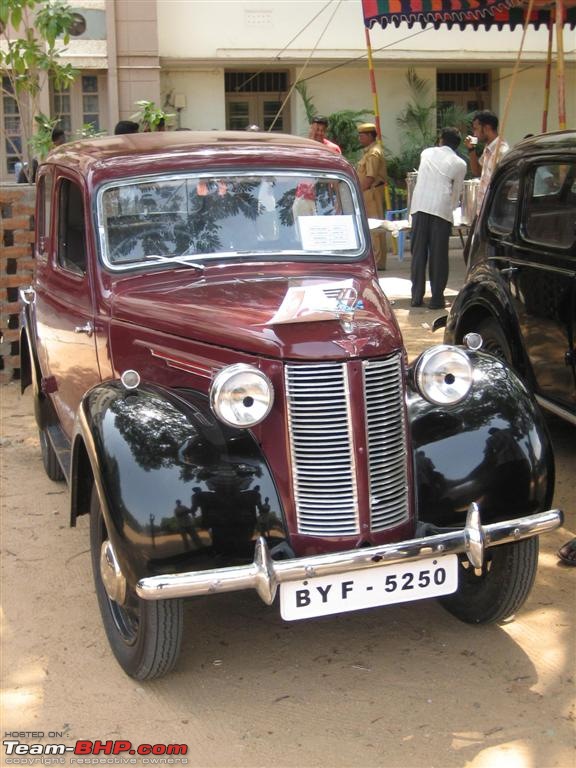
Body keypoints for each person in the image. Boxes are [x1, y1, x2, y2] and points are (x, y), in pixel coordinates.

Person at [409, 126, 467, 309]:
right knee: (439, 255)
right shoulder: (460, 164)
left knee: (418, 254)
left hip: (419, 206)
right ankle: (437, 299)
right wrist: (450, 212)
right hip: (441, 209)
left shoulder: (426, 153)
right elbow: (457, 192)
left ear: (441, 139)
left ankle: (416, 297)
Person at [464, 109, 510, 213]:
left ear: (487, 128)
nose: (474, 134)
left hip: (493, 210)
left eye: (476, 129)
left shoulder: (501, 151)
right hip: (483, 209)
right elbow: (477, 171)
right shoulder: (488, 148)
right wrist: (471, 149)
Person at [356, 122, 387, 269]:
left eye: (362, 136)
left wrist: (357, 191)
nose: (359, 138)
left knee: (375, 228)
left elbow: (370, 177)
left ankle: (378, 262)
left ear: (369, 136)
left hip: (372, 192)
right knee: (370, 228)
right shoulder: (369, 152)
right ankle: (375, 260)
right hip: (368, 192)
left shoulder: (374, 153)